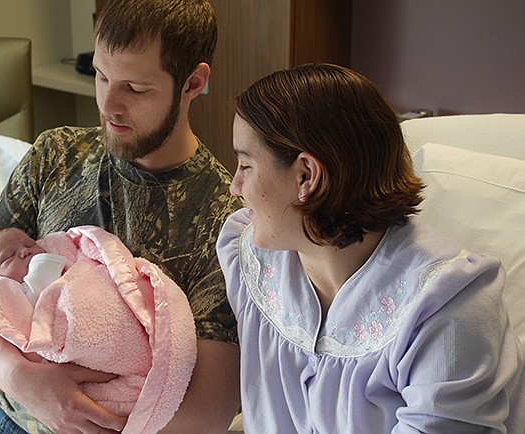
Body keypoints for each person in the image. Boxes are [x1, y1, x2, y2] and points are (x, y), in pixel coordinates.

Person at [0, 0, 242, 433]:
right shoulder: (54, 155)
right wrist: (23, 380)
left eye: (134, 88)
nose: (108, 105)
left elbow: (208, 411)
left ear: (193, 82)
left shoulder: (223, 220)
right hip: (4, 404)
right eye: (100, 75)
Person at [216, 63, 525, 433]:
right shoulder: (251, 257)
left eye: (245, 165)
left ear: (306, 176)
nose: (235, 186)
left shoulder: (447, 306)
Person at [0, 225, 199, 434]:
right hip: (4, 400)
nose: (26, 251)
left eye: (29, 243)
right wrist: (16, 377)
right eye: (8, 257)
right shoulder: (7, 297)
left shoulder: (67, 261)